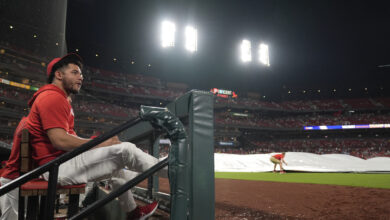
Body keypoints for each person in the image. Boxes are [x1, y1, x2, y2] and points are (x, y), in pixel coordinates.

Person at [0, 54, 164, 220]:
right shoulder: (52, 97)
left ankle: (134, 212)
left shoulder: (56, 97)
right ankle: (171, 168)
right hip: (58, 167)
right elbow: (60, 140)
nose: (81, 77)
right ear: (59, 75)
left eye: (81, 74)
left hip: (58, 163)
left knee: (118, 172)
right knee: (126, 151)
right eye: (75, 72)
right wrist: (98, 143)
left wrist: (100, 144)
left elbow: (65, 138)